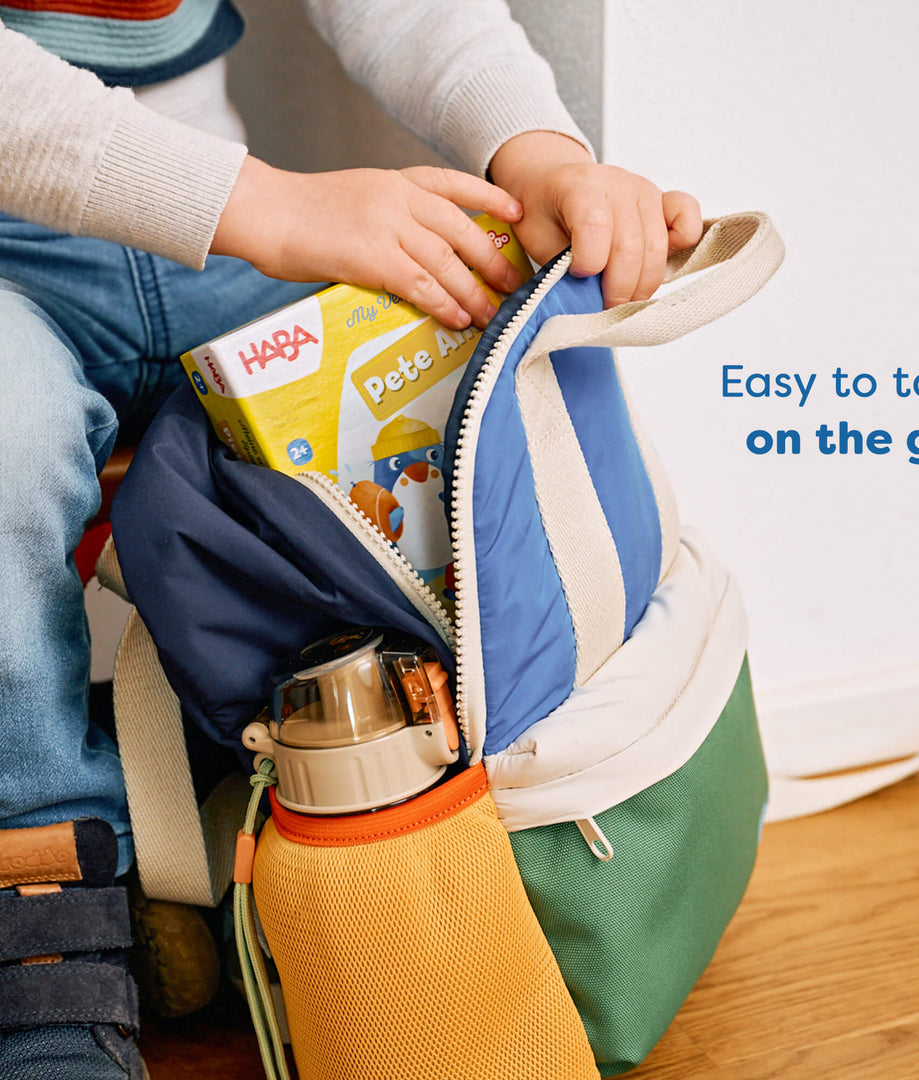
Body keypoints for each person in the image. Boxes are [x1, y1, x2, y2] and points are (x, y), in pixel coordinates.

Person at [0, 2, 702, 1077]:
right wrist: (265, 205)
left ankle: (403, 836)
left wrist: (542, 154)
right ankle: (43, 923)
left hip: (216, 239)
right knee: (8, 424)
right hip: (39, 255)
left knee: (456, 351)